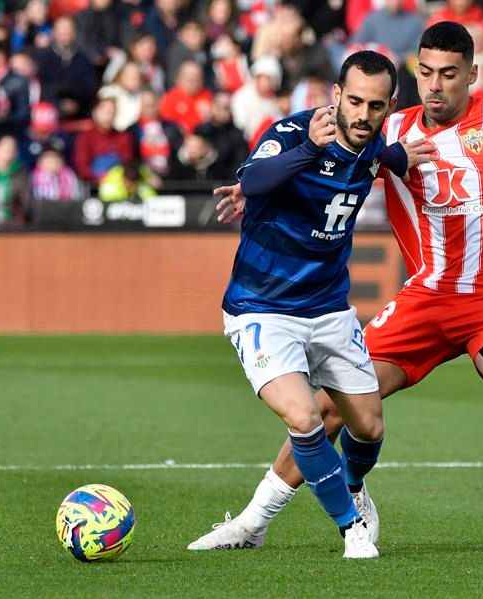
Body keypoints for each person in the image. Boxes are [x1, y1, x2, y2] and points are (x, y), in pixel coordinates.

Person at [196, 21, 483, 557]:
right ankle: (253, 522)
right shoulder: (387, 129)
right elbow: (326, 167)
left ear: (472, 74)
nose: (436, 85)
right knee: (332, 410)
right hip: (425, 297)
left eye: (448, 73)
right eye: (425, 73)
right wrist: (255, 187)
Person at [192, 50, 435, 559]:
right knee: (304, 419)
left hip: (329, 310)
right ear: (336, 95)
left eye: (375, 106)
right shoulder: (292, 132)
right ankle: (351, 529)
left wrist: (401, 157)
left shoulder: (373, 145)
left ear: (389, 107)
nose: (362, 115)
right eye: (354, 102)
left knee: (368, 427)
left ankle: (350, 487)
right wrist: (306, 151)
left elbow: (382, 158)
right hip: (262, 309)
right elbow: (253, 181)